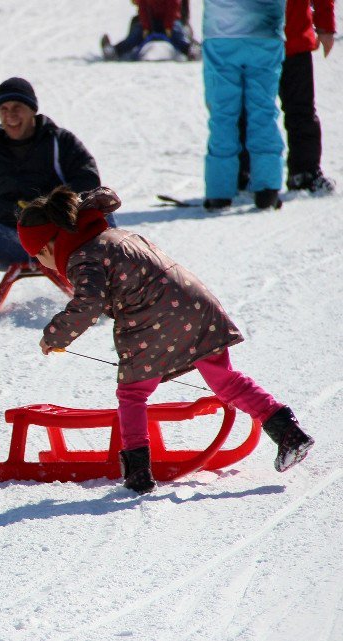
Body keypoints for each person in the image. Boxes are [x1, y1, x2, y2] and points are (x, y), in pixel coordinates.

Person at [17, 185, 315, 494]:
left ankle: (138, 473)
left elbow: (87, 304)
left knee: (132, 394)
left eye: (38, 255)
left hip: (153, 320)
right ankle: (288, 433)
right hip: (196, 305)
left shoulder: (83, 257)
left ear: (51, 246)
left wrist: (54, 335)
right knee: (225, 380)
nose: (41, 264)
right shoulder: (113, 237)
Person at [0, 77, 102, 322]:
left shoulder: (60, 142)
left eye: (17, 108)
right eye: (3, 109)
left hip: (62, 239)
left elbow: (89, 182)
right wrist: (9, 212)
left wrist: (49, 208)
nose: (10, 115)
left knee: (102, 209)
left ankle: (104, 286)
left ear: (32, 110)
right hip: (13, 241)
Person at [239, 0, 336, 195]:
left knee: (298, 110)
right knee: (249, 111)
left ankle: (304, 172)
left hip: (290, 38)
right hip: (256, 39)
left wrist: (325, 24)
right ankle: (244, 172)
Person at [201, 0, 285, 211]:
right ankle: (268, 189)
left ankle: (219, 192)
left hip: (220, 32)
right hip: (265, 31)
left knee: (223, 115)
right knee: (263, 111)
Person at [101, 0, 199, 61]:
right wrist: (146, 26)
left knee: (176, 34)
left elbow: (173, 6)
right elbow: (142, 7)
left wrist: (168, 26)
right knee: (136, 34)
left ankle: (189, 49)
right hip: (151, 20)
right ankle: (115, 51)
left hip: (170, 20)